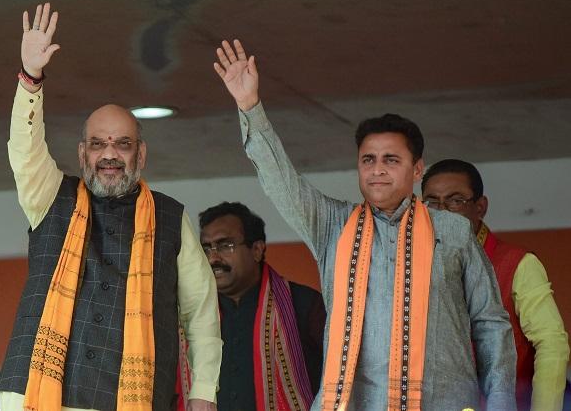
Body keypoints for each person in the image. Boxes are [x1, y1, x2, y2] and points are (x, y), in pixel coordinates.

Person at [213, 39, 517, 411]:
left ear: (417, 169)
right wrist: (250, 107)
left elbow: (490, 323)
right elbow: (282, 183)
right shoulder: (333, 225)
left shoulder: (452, 230)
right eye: (368, 159)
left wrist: (501, 401)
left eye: (391, 159)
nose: (377, 170)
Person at [0, 3, 221, 411]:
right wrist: (31, 79)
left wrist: (203, 391)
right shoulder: (50, 196)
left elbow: (200, 312)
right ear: (82, 153)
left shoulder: (170, 218)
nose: (110, 155)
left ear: (141, 154)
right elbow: (23, 151)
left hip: (130, 398)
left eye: (123, 144)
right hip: (37, 393)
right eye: (98, 144)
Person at [421, 158, 569, 411]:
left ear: (480, 207)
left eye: (456, 200)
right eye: (432, 202)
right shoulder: (416, 265)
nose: (442, 211)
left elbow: (551, 344)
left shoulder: (517, 263)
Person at [180, 202, 325, 411]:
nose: (213, 258)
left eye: (225, 245)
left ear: (256, 250)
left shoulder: (303, 303)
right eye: (206, 248)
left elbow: (342, 376)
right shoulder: (191, 313)